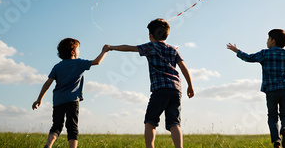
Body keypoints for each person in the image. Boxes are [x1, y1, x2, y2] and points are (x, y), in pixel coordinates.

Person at [104, 18, 194, 148]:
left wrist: (111, 47)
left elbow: (129, 48)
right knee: (174, 123)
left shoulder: (150, 47)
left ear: (151, 35)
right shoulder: (173, 50)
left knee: (150, 122)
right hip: (175, 90)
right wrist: (190, 86)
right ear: (166, 35)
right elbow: (184, 68)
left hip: (160, 89)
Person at [32, 38, 109, 148]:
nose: (79, 52)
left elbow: (47, 83)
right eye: (78, 49)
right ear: (73, 52)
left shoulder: (57, 66)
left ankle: (48, 145)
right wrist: (104, 51)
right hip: (72, 100)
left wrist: (39, 99)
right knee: (72, 127)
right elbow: (97, 62)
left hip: (58, 100)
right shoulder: (78, 63)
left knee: (56, 126)